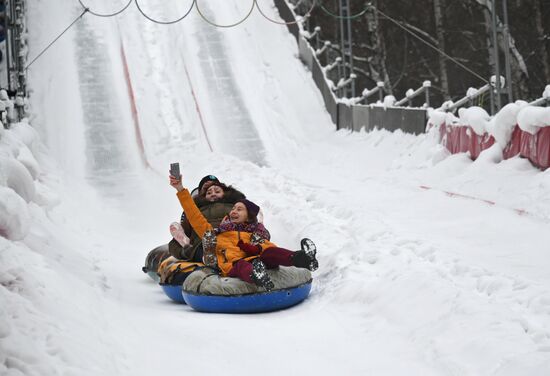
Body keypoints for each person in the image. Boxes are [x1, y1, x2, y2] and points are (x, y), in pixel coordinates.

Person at [169, 172, 318, 291]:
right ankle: (257, 276)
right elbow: (194, 217)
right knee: (241, 265)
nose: (233, 211)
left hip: (254, 255)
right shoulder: (216, 233)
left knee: (271, 251)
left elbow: (264, 244)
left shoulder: (252, 231)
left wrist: (262, 243)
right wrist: (180, 189)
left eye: (238, 209)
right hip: (233, 262)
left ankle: (303, 258)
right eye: (233, 209)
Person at [168, 175, 246, 263]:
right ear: (202, 195)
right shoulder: (196, 212)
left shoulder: (235, 207)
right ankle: (206, 255)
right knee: (206, 236)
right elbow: (173, 245)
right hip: (204, 245)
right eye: (208, 192)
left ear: (225, 192)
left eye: (217, 191)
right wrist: (186, 252)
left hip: (232, 241)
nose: (213, 194)